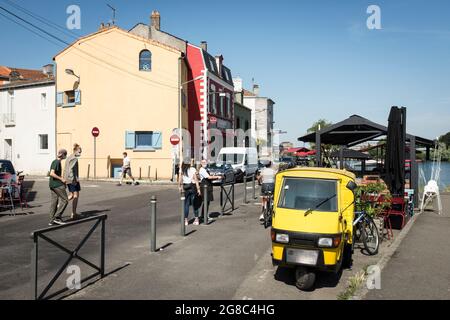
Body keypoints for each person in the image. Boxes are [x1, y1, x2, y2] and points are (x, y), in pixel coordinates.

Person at [49, 149, 69, 225]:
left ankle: (52, 220)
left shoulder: (55, 161)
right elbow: (51, 173)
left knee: (54, 202)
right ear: (63, 155)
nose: (65, 156)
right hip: (57, 185)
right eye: (65, 155)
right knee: (65, 200)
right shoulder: (57, 162)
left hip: (52, 184)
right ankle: (57, 217)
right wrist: (62, 179)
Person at [178, 161, 201, 226]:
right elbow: (196, 179)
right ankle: (196, 220)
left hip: (186, 188)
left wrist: (180, 187)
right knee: (194, 203)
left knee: (186, 204)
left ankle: (186, 221)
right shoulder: (192, 169)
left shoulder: (182, 169)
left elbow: (180, 180)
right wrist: (198, 189)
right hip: (192, 187)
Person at [64, 143, 82, 220]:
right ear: (75, 151)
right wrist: (73, 180)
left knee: (72, 195)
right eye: (79, 152)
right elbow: (70, 170)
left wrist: (64, 179)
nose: (80, 153)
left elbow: (65, 169)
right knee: (75, 195)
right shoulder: (74, 158)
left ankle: (60, 205)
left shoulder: (69, 157)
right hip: (72, 179)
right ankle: (73, 213)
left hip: (69, 179)